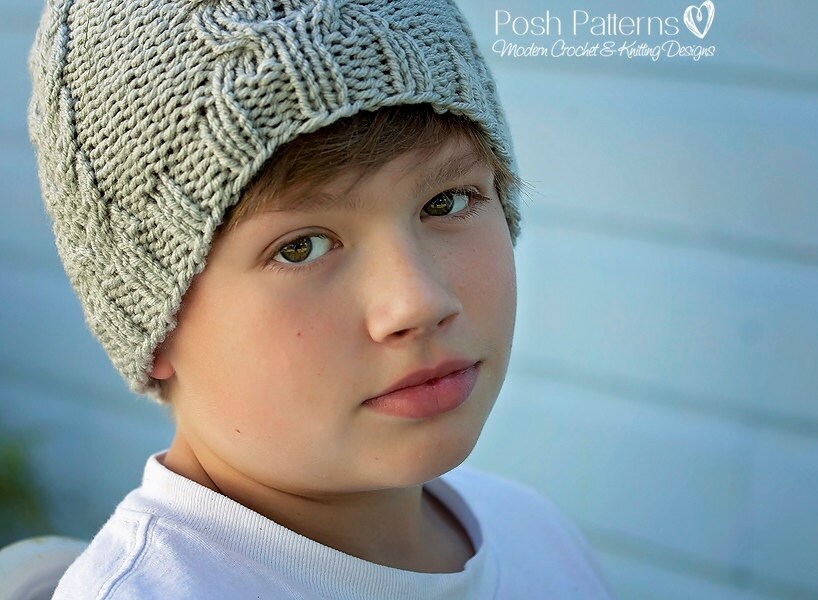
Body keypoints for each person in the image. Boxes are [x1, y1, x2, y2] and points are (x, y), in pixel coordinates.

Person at [29, 1, 613, 597]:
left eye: (447, 202)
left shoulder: (536, 536)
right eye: (301, 247)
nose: (418, 301)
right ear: (151, 320)